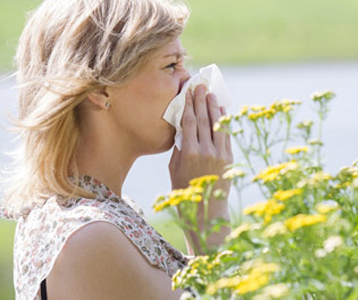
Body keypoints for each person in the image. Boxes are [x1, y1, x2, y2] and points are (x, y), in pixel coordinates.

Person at [0, 0, 233, 299]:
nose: (188, 80)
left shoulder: (90, 215)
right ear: (99, 89)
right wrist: (208, 214)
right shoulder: (91, 236)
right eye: (171, 65)